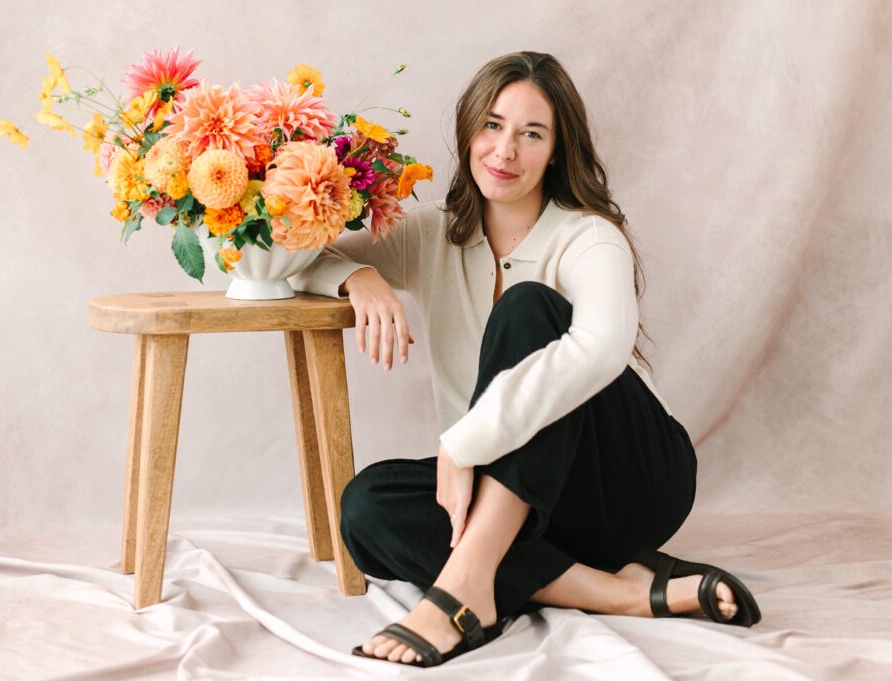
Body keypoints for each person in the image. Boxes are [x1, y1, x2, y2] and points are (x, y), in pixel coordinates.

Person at [290, 51, 761, 669]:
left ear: (557, 151)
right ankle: (615, 591)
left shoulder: (589, 236)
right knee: (366, 507)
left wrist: (463, 443)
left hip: (626, 480)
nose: (504, 151)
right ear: (467, 132)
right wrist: (359, 277)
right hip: (531, 506)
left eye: (530, 134)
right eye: (491, 125)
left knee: (528, 307)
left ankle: (463, 593)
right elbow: (295, 258)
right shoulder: (432, 233)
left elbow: (599, 350)